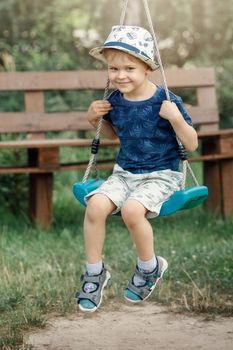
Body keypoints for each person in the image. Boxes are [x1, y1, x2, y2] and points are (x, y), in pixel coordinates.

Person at [75, 25, 198, 312]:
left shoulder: (166, 100)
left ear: (147, 68)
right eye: (113, 68)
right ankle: (94, 273)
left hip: (162, 174)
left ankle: (149, 267)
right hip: (125, 173)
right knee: (93, 207)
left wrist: (176, 118)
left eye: (129, 67)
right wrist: (93, 119)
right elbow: (114, 135)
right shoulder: (115, 100)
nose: (120, 75)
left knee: (132, 210)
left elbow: (191, 143)